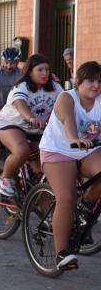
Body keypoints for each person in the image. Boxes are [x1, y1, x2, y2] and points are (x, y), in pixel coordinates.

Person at [39, 61, 101, 270]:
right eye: (91, 80)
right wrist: (74, 138)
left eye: (100, 81)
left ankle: (86, 206)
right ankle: (62, 253)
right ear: (78, 81)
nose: (96, 85)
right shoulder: (67, 97)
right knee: (66, 197)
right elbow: (67, 121)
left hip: (88, 150)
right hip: (58, 150)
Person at [0, 54, 63, 196]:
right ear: (30, 72)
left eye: (47, 70)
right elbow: (20, 103)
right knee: (22, 151)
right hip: (12, 125)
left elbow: (67, 102)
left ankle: (46, 215)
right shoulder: (22, 86)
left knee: (45, 172)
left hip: (36, 130)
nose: (45, 73)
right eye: (40, 70)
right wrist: (31, 118)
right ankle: (4, 178)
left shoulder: (55, 87)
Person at [0, 47, 22, 134]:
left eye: (12, 63)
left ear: (18, 62)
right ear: (2, 61)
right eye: (6, 62)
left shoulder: (21, 73)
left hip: (13, 108)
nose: (9, 66)